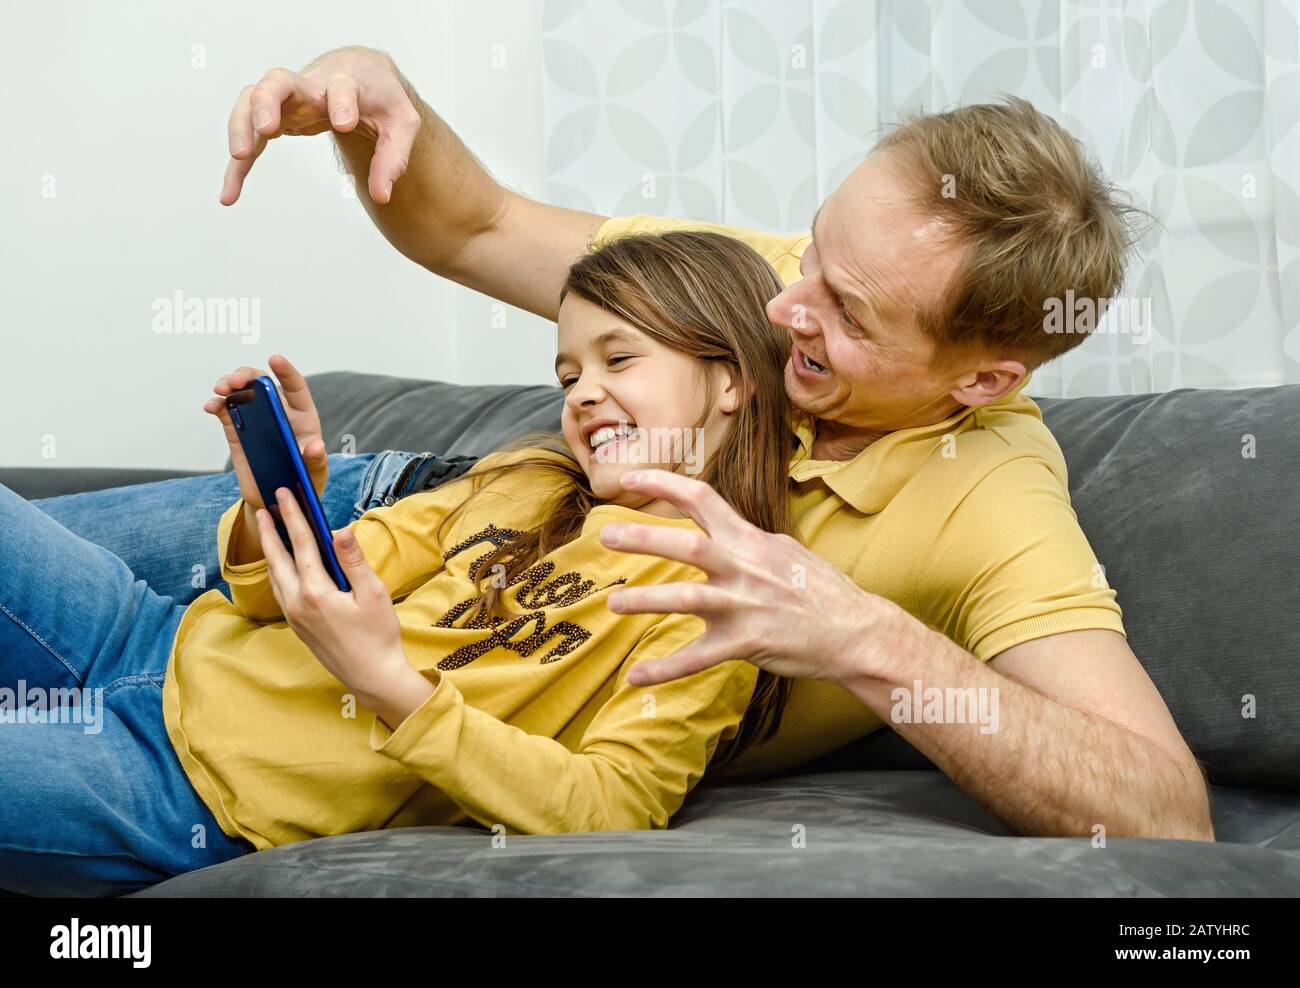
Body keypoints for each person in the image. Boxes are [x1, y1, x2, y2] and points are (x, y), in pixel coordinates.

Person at [44, 47, 1214, 843]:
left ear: (983, 377)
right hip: (417, 514)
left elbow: (1165, 811)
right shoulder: (763, 277)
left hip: (451, 652)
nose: (784, 306)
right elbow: (478, 222)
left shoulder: (994, 500)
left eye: (847, 315)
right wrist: (374, 99)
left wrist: (864, 636)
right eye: (810, 254)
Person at [0, 231, 799, 897]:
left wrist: (388, 684)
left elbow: (611, 801)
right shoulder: (524, 480)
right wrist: (279, 508)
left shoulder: (711, 607)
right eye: (569, 375)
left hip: (186, 787)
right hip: (145, 637)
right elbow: (289, 590)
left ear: (729, 380)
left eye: (618, 361)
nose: (584, 394)